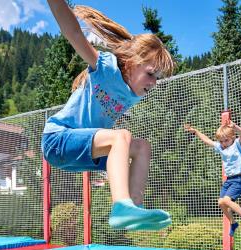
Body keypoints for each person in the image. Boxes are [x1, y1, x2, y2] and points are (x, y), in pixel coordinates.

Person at [42, 0, 175, 231]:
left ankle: (134, 208)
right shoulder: (104, 67)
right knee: (120, 136)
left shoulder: (135, 93)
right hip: (58, 140)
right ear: (133, 62)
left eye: (158, 78)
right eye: (151, 74)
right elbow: (73, 32)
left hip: (82, 153)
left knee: (142, 147)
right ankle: (121, 206)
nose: (154, 83)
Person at [184, 122, 241, 235]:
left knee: (226, 200)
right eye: (221, 141)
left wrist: (235, 127)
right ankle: (233, 223)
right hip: (229, 180)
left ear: (232, 138)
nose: (223, 143)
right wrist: (196, 132)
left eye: (226, 140)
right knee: (221, 202)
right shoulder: (221, 147)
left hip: (239, 178)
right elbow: (207, 141)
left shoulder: (237, 145)